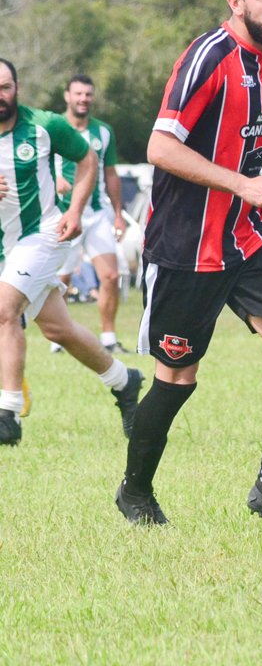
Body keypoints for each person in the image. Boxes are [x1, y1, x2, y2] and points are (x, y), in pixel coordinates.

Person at [117, 0, 262, 531]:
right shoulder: (208, 56)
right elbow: (160, 148)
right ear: (236, 3)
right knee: (177, 377)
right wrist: (243, 187)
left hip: (246, 235)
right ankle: (135, 491)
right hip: (187, 247)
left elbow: (241, 149)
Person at [0, 58, 143, 446]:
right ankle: (124, 381)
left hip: (42, 234)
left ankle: (7, 414)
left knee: (4, 309)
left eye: (6, 87)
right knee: (58, 329)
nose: (0, 95)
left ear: (17, 88)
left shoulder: (45, 125)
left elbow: (88, 159)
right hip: (3, 246)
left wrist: (76, 210)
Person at [51, 74, 129, 354]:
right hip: (62, 214)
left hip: (97, 215)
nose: (83, 99)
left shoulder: (103, 132)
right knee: (61, 279)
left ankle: (108, 338)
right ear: (67, 96)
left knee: (110, 276)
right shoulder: (52, 127)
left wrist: (118, 214)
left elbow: (111, 174)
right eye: (78, 94)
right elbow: (36, 164)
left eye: (88, 94)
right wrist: (55, 180)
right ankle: (57, 338)